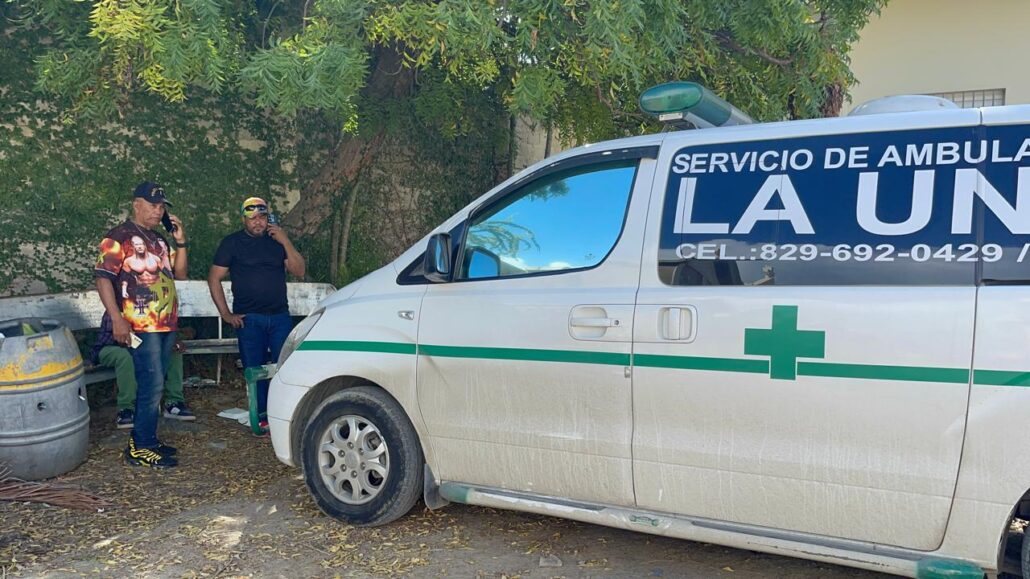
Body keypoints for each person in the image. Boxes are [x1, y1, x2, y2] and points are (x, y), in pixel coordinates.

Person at [95, 182, 187, 468]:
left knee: (154, 383)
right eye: (152, 205)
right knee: (151, 382)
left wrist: (180, 242)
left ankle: (147, 438)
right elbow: (102, 278)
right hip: (139, 325)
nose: (158, 211)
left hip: (164, 324)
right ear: (137, 204)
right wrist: (116, 318)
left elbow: (180, 274)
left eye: (161, 207)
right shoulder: (117, 237)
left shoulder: (159, 240)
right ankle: (140, 446)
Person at [208, 197, 305, 432]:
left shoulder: (276, 241)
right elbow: (214, 278)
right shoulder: (232, 243)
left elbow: (299, 270)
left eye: (261, 217)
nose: (258, 223)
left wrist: (285, 240)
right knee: (255, 369)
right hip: (249, 318)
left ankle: (284, 415)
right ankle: (260, 417)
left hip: (279, 316)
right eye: (252, 218)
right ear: (244, 219)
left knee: (284, 366)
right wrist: (226, 314)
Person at [90, 312, 194, 429]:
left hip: (143, 346)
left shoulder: (153, 305)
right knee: (126, 357)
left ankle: (174, 402)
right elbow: (122, 339)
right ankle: (126, 408)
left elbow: (164, 330)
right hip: (112, 347)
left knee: (173, 349)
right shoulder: (119, 304)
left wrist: (171, 340)